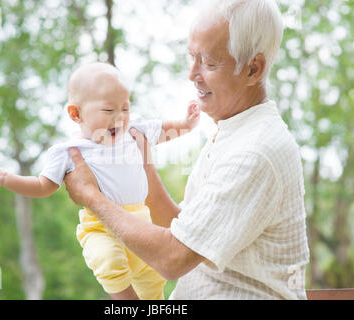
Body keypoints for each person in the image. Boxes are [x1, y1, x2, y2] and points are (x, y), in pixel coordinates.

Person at [64, 0, 310, 300]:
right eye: (191, 57)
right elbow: (186, 232)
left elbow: (173, 258)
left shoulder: (254, 151)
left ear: (253, 69)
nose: (192, 74)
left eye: (208, 62)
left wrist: (92, 197)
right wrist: (143, 161)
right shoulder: (235, 132)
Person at [0, 62, 201, 300]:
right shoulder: (69, 151)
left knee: (152, 277)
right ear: (76, 114)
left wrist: (186, 124)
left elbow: (162, 130)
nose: (120, 117)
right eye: (109, 111)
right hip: (100, 227)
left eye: (125, 108)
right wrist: (8, 178)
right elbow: (42, 186)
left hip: (141, 220)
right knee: (108, 261)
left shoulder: (133, 129)